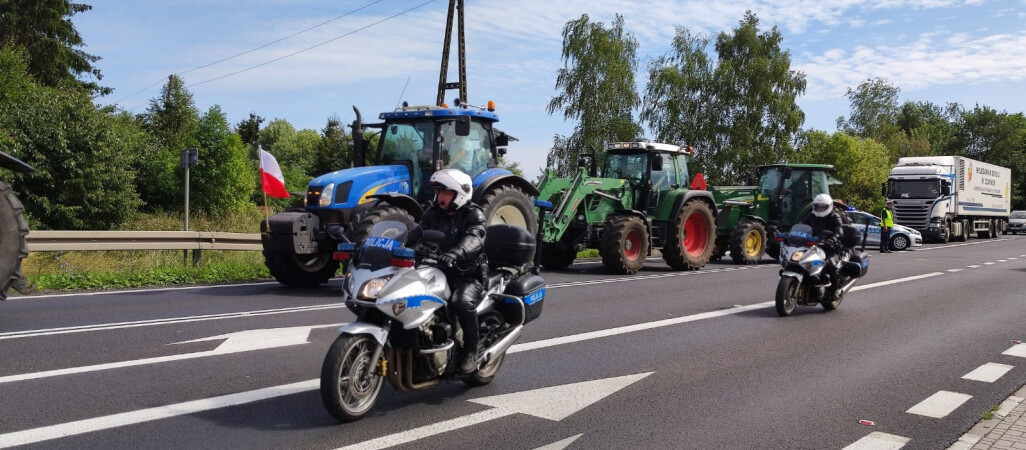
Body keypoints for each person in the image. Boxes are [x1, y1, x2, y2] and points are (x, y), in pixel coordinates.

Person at [405, 168, 487, 374]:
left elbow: (475, 238)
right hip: (436, 270)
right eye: (439, 192)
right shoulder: (433, 213)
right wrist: (394, 246)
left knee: (461, 302)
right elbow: (416, 233)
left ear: (460, 193)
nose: (440, 197)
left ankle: (471, 350)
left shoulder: (473, 214)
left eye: (446, 192)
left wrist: (456, 253)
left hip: (466, 275)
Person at [800, 193, 845, 300]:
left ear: (828, 206)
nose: (820, 209)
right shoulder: (812, 215)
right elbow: (801, 224)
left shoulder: (834, 216)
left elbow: (839, 230)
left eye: (823, 207)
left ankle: (835, 290)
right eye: (818, 206)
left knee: (830, 264)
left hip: (829, 246)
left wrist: (833, 239)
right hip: (812, 244)